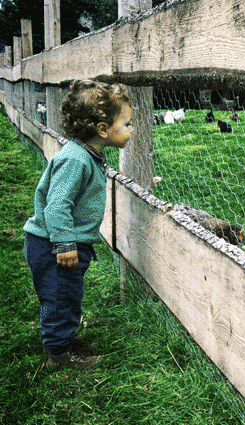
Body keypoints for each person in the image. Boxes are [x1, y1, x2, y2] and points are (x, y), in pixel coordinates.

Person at [23, 79, 134, 369]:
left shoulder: (88, 155)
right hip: (54, 246)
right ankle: (59, 355)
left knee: (66, 295)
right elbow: (57, 205)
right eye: (127, 124)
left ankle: (64, 340)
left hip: (63, 243)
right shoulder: (76, 160)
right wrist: (65, 244)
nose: (131, 129)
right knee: (60, 298)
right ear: (102, 129)